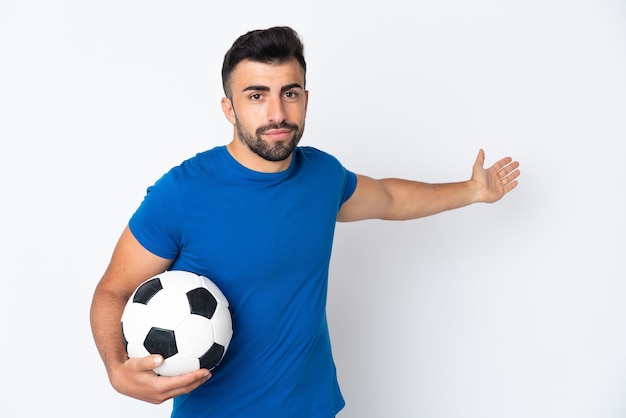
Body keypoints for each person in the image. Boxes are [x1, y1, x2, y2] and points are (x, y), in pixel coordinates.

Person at [90, 26, 520, 417]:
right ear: (229, 108)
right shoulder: (182, 194)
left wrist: (472, 191)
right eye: (256, 95)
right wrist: (115, 368)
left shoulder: (322, 177)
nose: (276, 113)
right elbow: (114, 289)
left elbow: (389, 197)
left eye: (289, 93)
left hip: (314, 408)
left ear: (305, 99)